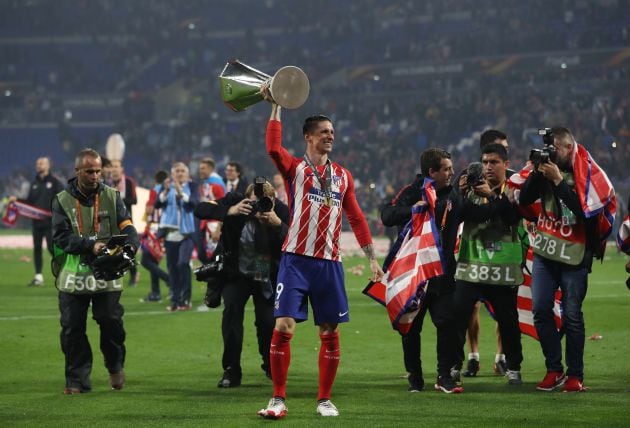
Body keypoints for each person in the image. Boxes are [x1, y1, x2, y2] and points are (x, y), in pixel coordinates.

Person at [256, 98, 383, 419]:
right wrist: (276, 106)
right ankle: (277, 399)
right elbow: (273, 147)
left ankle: (324, 399)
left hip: (329, 264)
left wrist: (371, 257)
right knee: (283, 325)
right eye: (324, 132)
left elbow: (355, 217)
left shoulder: (343, 176)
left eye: (332, 132)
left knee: (329, 331)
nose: (331, 136)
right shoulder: (295, 168)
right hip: (295, 261)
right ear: (309, 137)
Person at [516, 127, 616, 392]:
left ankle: (575, 375)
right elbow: (524, 200)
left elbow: (588, 216)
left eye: (555, 148)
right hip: (546, 251)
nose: (550, 152)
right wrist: (537, 175)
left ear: (569, 148)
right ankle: (554, 370)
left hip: (575, 254)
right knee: (540, 310)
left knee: (572, 315)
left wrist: (559, 182)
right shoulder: (545, 170)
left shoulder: (588, 174)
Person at [50, 148, 139, 394]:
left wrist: (131, 245)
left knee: (111, 321)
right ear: (77, 171)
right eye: (89, 171)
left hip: (106, 272)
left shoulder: (112, 195)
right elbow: (60, 238)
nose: (95, 175)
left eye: (99, 170)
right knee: (72, 328)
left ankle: (114, 364)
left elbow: (127, 225)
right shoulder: (61, 200)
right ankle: (77, 380)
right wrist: (91, 245)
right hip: (73, 274)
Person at [194, 178, 290, 388]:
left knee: (267, 322)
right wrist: (230, 210)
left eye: (263, 202)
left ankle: (270, 364)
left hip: (265, 272)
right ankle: (231, 371)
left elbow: (295, 241)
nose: (257, 207)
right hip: (236, 271)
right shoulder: (236, 202)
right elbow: (200, 209)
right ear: (247, 199)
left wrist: (277, 224)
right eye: (253, 202)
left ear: (273, 201)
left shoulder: (280, 210)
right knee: (231, 316)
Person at [453, 143, 524, 386]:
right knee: (458, 318)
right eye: (484, 162)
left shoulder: (516, 188)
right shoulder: (470, 187)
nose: (488, 167)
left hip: (502, 269)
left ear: (506, 164)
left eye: (494, 162)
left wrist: (492, 197)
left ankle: (514, 368)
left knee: (508, 322)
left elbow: (514, 218)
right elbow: (458, 214)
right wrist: (459, 193)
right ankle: (453, 365)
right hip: (472, 266)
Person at [460, 129, 511, 377]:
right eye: (488, 157)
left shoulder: (513, 180)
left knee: (505, 309)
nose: (491, 163)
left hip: (504, 253)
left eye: (503, 149)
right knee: (472, 307)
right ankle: (473, 355)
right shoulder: (468, 178)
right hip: (475, 250)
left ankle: (502, 356)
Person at [10, 157, 64, 286]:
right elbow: (29, 202)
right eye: (37, 163)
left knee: (52, 248)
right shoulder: (34, 183)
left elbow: (63, 199)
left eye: (41, 163)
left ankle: (64, 272)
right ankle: (38, 277)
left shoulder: (55, 182)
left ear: (48, 165)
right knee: (37, 249)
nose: (38, 165)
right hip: (37, 223)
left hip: (51, 223)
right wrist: (16, 200)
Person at [154, 162, 199, 311]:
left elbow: (194, 203)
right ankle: (175, 301)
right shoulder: (166, 186)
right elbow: (157, 205)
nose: (180, 174)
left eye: (182, 171)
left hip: (186, 233)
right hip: (170, 234)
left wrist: (181, 192)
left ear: (187, 174)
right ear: (173, 174)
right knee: (172, 268)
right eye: (177, 171)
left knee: (183, 264)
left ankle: (185, 300)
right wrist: (166, 191)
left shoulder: (192, 186)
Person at [139, 171, 169, 302]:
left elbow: (150, 210)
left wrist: (147, 206)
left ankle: (168, 280)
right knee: (153, 261)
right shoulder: (169, 191)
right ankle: (155, 293)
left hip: (154, 229)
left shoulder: (154, 191)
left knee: (146, 261)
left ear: (156, 180)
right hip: (164, 228)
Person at [108, 159, 139, 286]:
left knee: (127, 248)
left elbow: (135, 200)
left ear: (122, 169)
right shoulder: (106, 183)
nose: (114, 169)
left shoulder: (128, 182)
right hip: (110, 222)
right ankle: (112, 275)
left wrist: (119, 199)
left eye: (117, 166)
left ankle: (133, 274)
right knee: (111, 250)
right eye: (112, 167)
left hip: (125, 221)